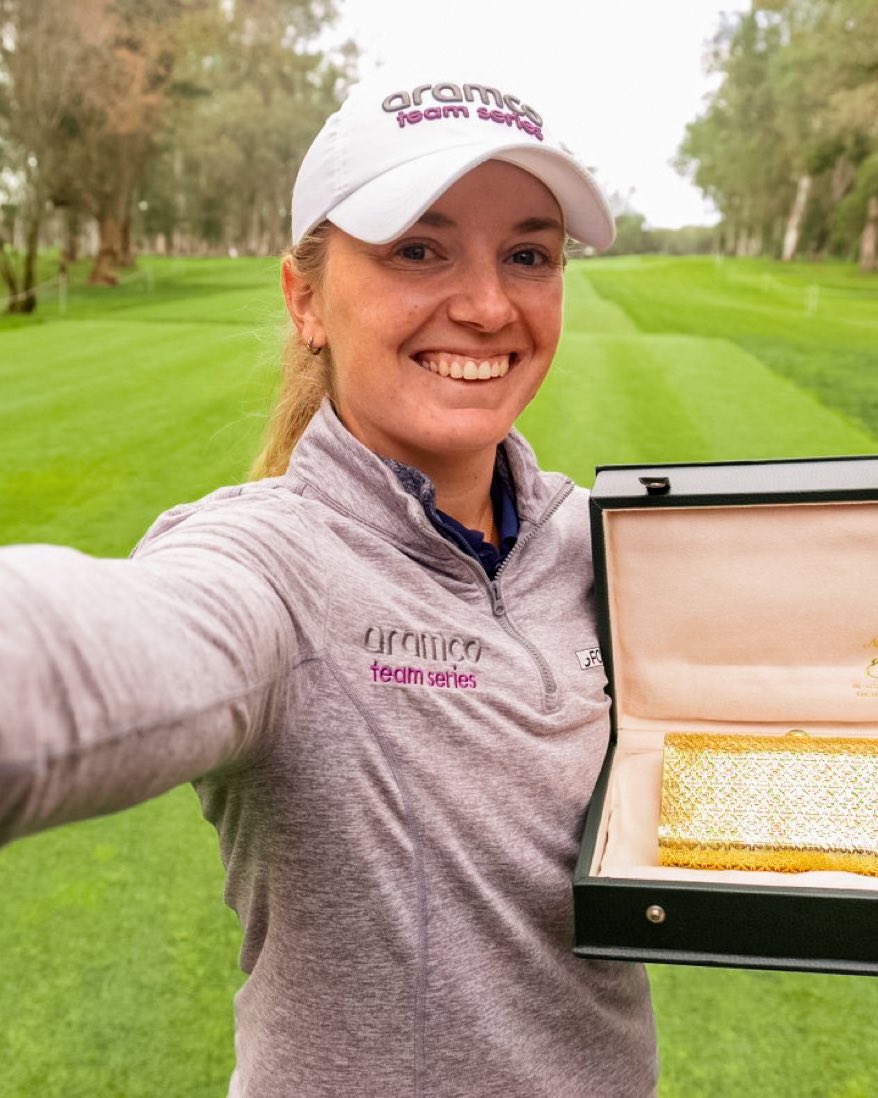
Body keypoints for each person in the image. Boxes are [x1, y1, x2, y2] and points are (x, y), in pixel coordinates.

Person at [0, 70, 658, 1097]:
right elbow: (76, 654)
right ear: (304, 298)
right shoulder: (269, 567)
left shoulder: (604, 545)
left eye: (527, 253)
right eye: (416, 250)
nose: (486, 306)